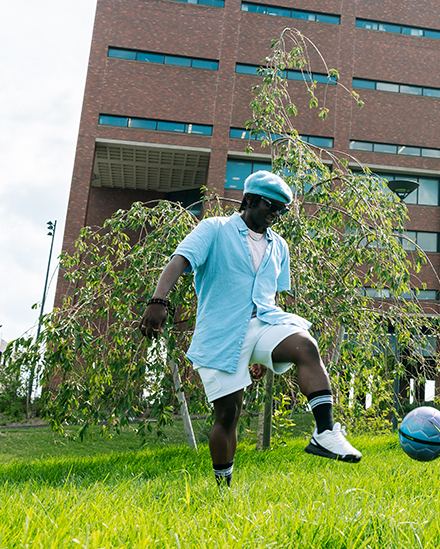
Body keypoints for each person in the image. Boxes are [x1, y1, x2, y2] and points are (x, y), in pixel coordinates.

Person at [140, 170, 361, 485]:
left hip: (264, 321)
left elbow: (267, 295)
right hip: (221, 333)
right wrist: (158, 300)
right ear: (249, 200)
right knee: (228, 415)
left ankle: (324, 432)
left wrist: (260, 355)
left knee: (305, 346)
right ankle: (223, 488)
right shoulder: (214, 229)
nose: (275, 215)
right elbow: (180, 260)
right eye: (271, 206)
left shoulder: (279, 246)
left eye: (281, 211)